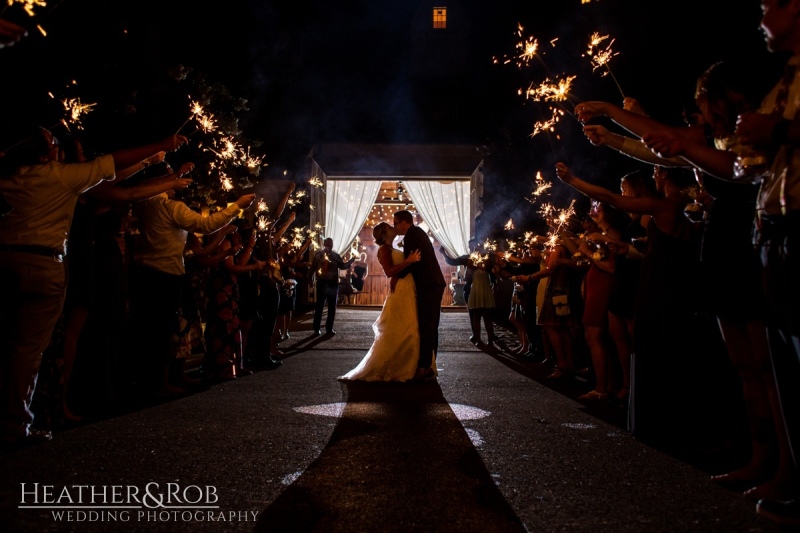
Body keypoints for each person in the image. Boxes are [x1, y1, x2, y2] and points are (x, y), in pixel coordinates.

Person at [0, 127, 188, 447]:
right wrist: (161, 145)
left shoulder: (9, 178)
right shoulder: (59, 176)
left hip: (7, 260)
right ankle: (15, 425)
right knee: (27, 352)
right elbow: (112, 171)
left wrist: (151, 159)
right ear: (48, 154)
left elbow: (110, 176)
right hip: (44, 265)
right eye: (55, 144)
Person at [127, 166, 255, 397]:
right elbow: (205, 225)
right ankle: (160, 383)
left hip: (145, 273)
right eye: (171, 174)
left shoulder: (143, 202)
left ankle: (161, 378)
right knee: (165, 331)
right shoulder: (170, 207)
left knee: (156, 329)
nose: (178, 179)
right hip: (166, 274)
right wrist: (237, 206)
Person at [339, 222, 426, 381]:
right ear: (384, 233)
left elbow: (396, 271)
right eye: (389, 226)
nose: (393, 227)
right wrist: (409, 260)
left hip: (406, 287)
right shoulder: (384, 250)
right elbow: (389, 271)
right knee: (405, 326)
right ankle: (399, 367)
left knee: (409, 325)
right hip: (400, 290)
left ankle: (408, 363)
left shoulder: (392, 248)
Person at [392, 209, 446, 382]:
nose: (395, 227)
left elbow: (414, 262)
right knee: (430, 325)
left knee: (427, 325)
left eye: (396, 223)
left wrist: (397, 275)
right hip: (433, 283)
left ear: (404, 222)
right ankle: (429, 363)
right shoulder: (417, 233)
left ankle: (424, 367)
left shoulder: (412, 236)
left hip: (429, 285)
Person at [309, 237, 355, 336]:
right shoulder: (320, 255)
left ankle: (326, 328)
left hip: (331, 284)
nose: (329, 245)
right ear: (327, 244)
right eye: (329, 244)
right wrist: (310, 280)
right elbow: (313, 267)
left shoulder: (334, 256)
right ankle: (319, 328)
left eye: (330, 244)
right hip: (323, 283)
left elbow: (342, 266)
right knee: (321, 307)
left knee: (328, 307)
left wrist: (351, 260)